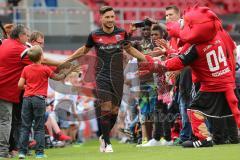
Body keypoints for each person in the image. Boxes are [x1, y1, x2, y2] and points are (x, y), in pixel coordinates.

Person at [137, 6, 240, 148]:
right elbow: (232, 52)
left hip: (210, 83)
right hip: (227, 79)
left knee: (193, 109)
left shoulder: (196, 47)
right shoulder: (219, 36)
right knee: (231, 110)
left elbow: (177, 62)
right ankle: (232, 137)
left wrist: (153, 64)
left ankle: (203, 138)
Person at [60, 6, 145, 153]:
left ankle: (103, 136)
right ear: (101, 18)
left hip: (118, 76)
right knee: (105, 108)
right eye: (107, 17)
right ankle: (107, 143)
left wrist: (146, 58)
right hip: (102, 76)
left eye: (112, 17)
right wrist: (69, 58)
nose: (111, 20)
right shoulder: (94, 35)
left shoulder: (122, 33)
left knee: (114, 111)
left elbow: (130, 49)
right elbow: (84, 50)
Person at [18, 45, 75, 159]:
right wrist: (66, 72)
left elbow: (20, 85)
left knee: (25, 126)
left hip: (27, 99)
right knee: (39, 127)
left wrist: (29, 87)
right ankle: (39, 153)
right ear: (40, 56)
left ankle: (22, 153)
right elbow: (58, 78)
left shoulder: (26, 69)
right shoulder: (45, 69)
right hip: (39, 99)